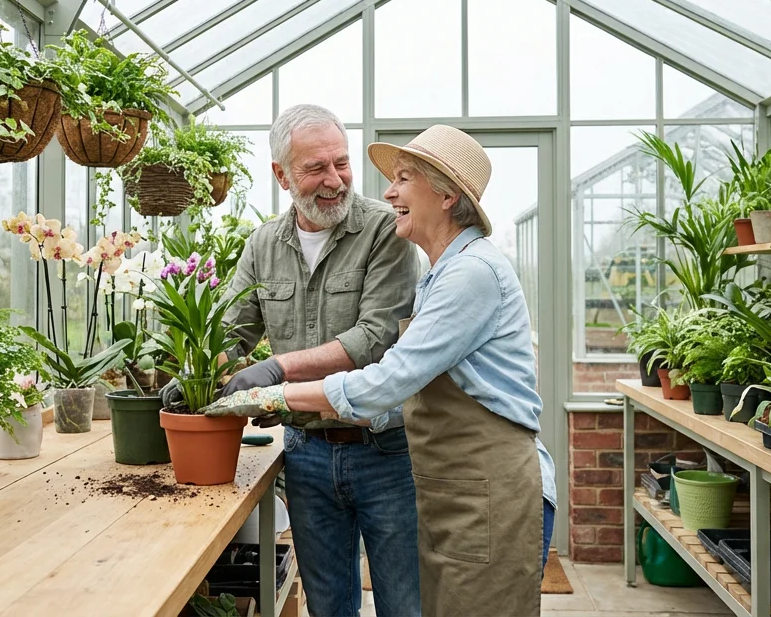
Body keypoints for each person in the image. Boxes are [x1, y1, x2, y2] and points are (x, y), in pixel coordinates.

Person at [205, 125, 557, 617]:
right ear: (282, 175)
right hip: (454, 486)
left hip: (487, 489)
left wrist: (280, 394)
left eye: (404, 178)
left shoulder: (471, 273)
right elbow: (413, 389)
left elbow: (390, 376)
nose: (388, 190)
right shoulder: (443, 271)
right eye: (316, 167)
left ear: (447, 196)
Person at [184, 104, 423, 617]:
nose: (334, 180)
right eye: (316, 168)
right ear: (281, 174)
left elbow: (375, 337)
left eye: (341, 162)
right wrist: (194, 376)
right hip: (307, 453)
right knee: (328, 606)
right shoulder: (264, 244)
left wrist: (277, 372)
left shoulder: (387, 231)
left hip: (387, 452)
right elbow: (230, 329)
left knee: (405, 605)